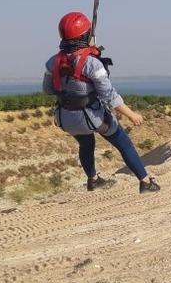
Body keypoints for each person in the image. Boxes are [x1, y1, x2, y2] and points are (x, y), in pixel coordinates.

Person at [43, 11, 160, 194]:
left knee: (86, 144)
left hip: (67, 118)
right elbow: (109, 95)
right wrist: (131, 115)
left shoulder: (53, 62)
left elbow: (48, 89)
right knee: (124, 143)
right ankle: (145, 182)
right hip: (92, 117)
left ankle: (93, 179)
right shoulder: (92, 64)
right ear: (85, 35)